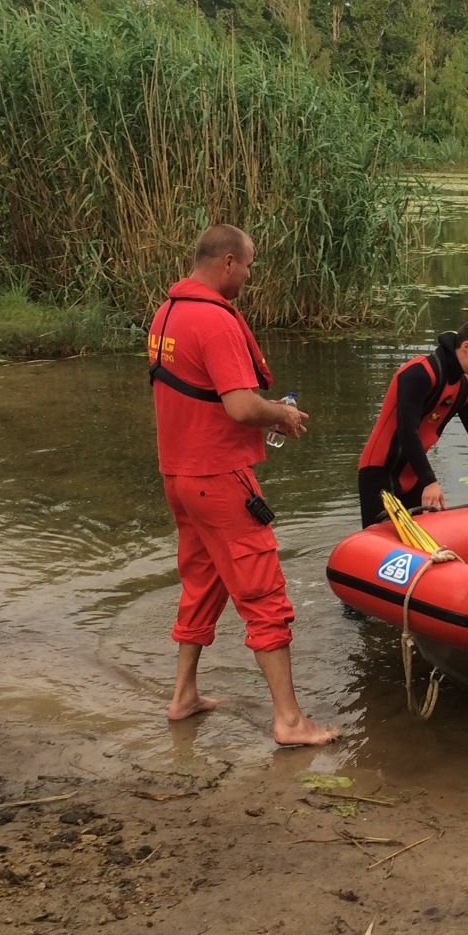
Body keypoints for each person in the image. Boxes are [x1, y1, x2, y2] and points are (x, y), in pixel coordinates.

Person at [146, 223, 338, 745]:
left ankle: (183, 695)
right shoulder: (214, 321)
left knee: (202, 584)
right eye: (249, 266)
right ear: (227, 262)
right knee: (265, 595)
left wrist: (266, 415)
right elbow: (239, 405)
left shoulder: (166, 314)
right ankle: (290, 722)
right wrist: (281, 414)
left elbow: (203, 396)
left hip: (178, 476)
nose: (250, 276)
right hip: (219, 478)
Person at [356, 319, 468, 528]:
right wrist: (430, 481)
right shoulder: (418, 373)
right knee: (383, 543)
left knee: (426, 541)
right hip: (379, 473)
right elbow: (406, 431)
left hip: (414, 475)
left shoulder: (465, 389)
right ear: (466, 347)